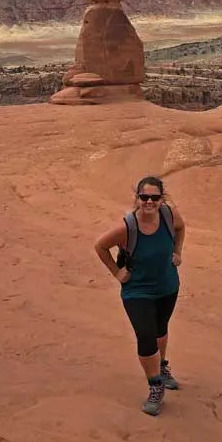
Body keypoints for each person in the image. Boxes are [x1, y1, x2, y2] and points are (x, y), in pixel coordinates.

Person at [94, 175, 186, 416]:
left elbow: (181, 228)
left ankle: (162, 367)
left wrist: (177, 252)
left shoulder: (169, 215)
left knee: (160, 329)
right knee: (146, 336)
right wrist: (117, 272)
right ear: (137, 198)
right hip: (138, 290)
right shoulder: (128, 227)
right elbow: (100, 246)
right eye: (144, 197)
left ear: (161, 198)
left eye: (154, 197)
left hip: (167, 285)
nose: (149, 202)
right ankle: (156, 386)